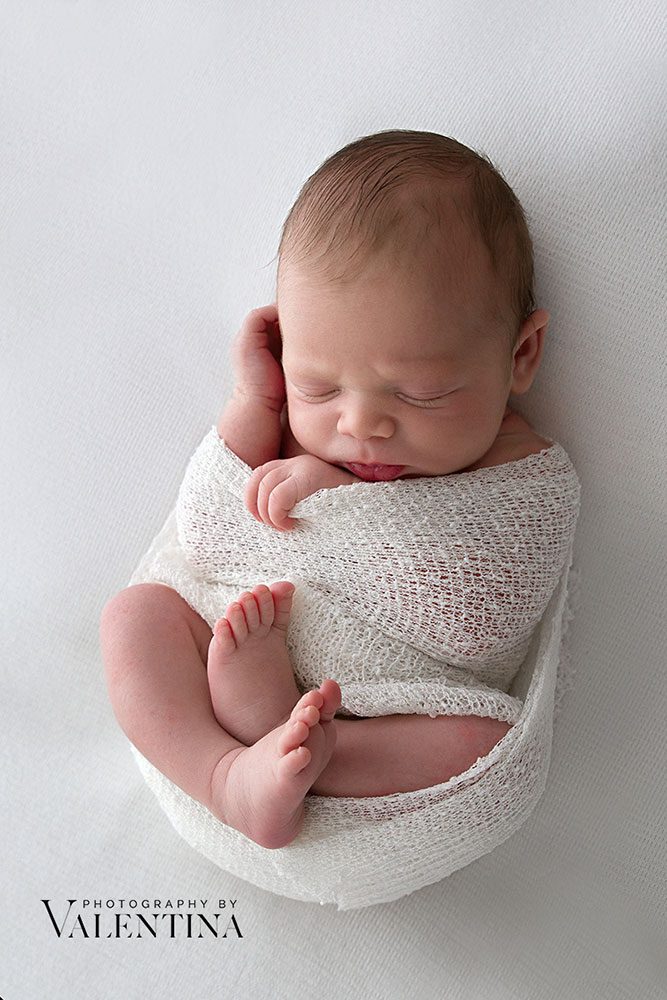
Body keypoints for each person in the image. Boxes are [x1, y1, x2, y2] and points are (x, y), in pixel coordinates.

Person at [100, 129, 555, 851]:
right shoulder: (288, 427)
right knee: (134, 619)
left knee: (492, 744)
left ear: (519, 355)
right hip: (237, 633)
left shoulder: (516, 466)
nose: (362, 426)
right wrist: (259, 404)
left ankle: (314, 752)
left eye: (421, 393)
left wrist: (330, 491)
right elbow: (209, 526)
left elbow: (482, 613)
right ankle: (226, 774)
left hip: (389, 709)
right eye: (317, 385)